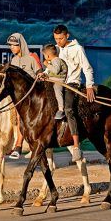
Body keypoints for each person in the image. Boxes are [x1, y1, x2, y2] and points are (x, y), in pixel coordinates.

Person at [53, 24, 95, 162]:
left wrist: (89, 86)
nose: (58, 41)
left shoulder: (77, 49)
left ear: (67, 36)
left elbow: (87, 68)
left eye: (60, 38)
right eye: (56, 38)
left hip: (72, 84)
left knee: (68, 109)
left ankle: (76, 146)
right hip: (58, 83)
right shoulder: (57, 49)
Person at [7, 33, 42, 159]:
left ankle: (18, 146)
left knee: (21, 117)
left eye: (14, 45)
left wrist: (39, 75)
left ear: (21, 45)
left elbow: (40, 73)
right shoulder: (14, 60)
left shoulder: (33, 57)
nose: (11, 47)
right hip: (19, 96)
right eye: (10, 45)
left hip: (33, 95)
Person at [42, 44, 69, 120]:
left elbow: (56, 71)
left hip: (59, 81)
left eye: (44, 55)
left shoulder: (57, 60)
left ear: (47, 56)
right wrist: (44, 75)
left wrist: (47, 65)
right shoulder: (53, 61)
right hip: (52, 79)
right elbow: (51, 73)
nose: (44, 57)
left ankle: (61, 109)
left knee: (57, 91)